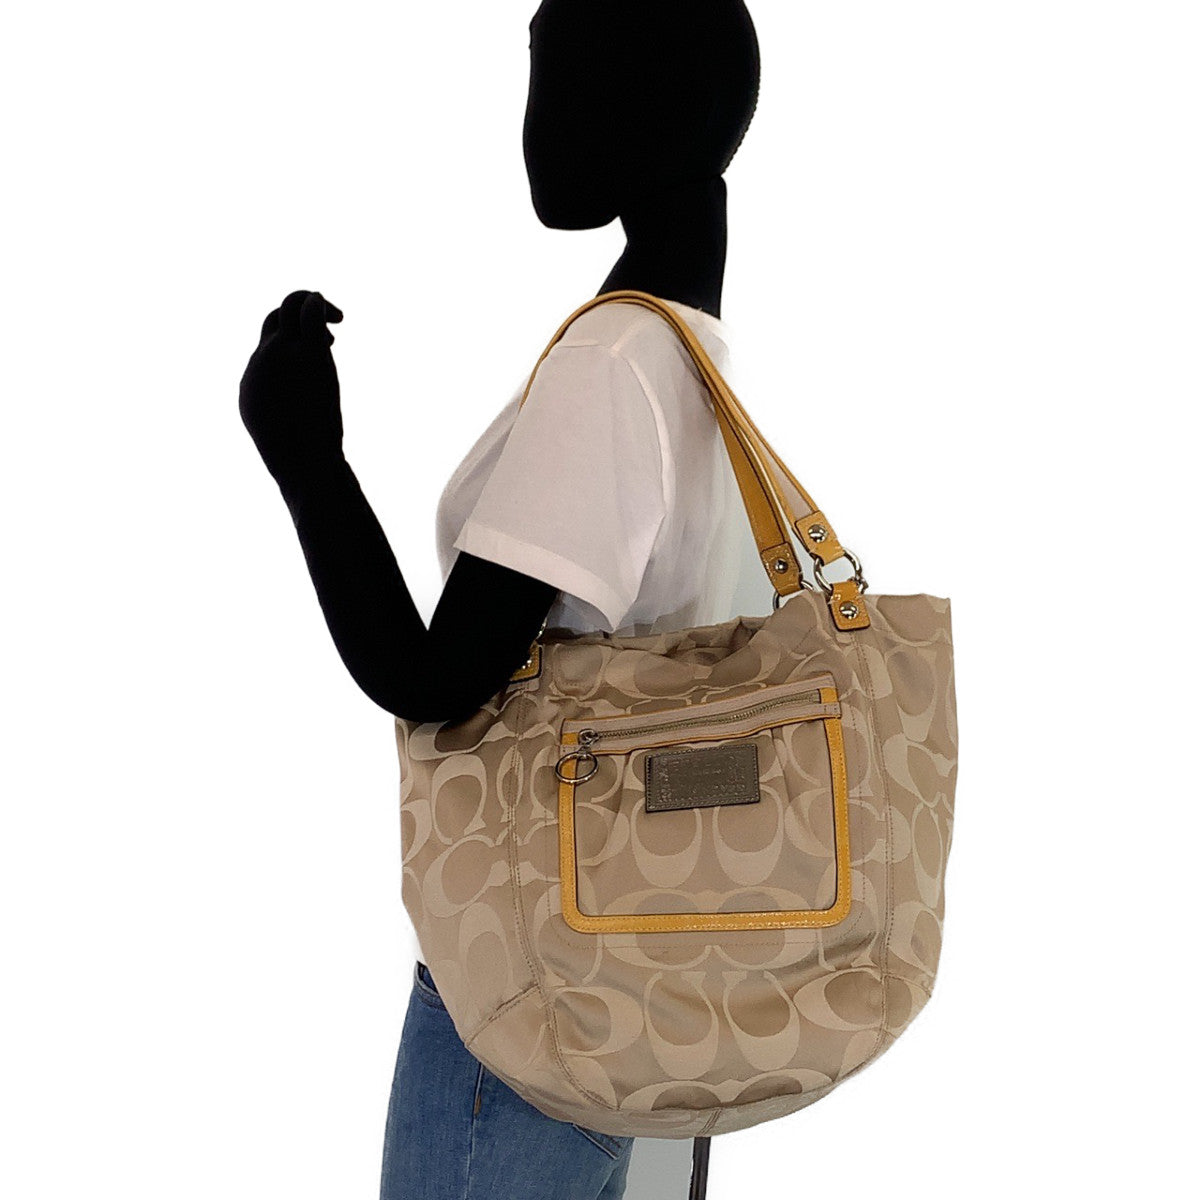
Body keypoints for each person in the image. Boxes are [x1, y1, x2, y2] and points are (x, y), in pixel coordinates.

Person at [237, 3, 761, 1197]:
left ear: (637, 101)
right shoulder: (695, 349)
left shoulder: (612, 365)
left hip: (531, 983)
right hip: (647, 966)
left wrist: (305, 458)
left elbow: (435, 681)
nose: (533, 118)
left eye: (550, 65)